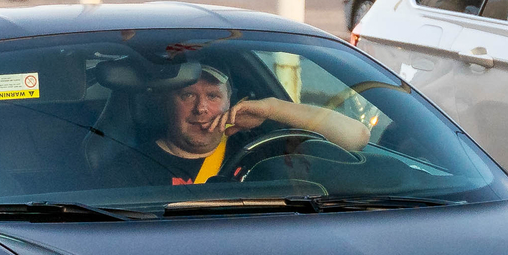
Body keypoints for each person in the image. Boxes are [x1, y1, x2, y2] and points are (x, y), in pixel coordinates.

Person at [103, 62, 369, 188]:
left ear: (230, 101)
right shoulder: (130, 168)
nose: (201, 108)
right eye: (187, 95)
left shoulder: (261, 150)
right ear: (165, 103)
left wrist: (273, 109)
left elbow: (356, 136)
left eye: (213, 96)